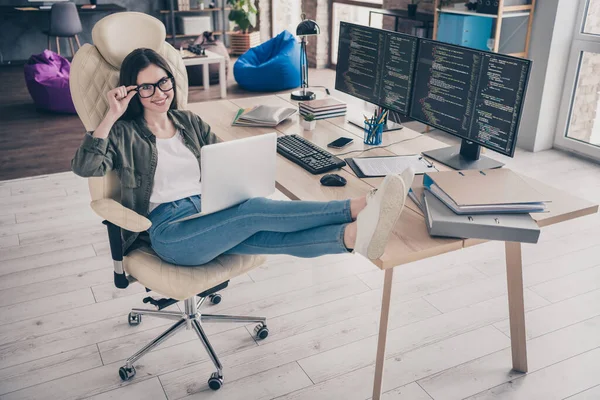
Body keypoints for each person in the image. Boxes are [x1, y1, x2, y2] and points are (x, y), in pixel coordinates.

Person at [71, 48, 414, 265]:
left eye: (163, 82)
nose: (159, 93)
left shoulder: (188, 121)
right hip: (170, 231)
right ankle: (358, 206)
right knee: (253, 213)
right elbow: (85, 167)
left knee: (271, 238)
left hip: (210, 211)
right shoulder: (122, 132)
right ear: (133, 91)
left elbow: (226, 158)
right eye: (146, 87)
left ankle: (353, 238)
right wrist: (111, 115)